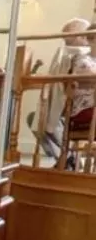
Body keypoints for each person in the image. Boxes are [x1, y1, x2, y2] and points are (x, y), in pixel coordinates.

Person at [30, 18, 96, 158]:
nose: (67, 45)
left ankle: (69, 159)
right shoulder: (81, 59)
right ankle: (68, 158)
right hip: (82, 109)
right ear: (89, 40)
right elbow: (90, 76)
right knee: (35, 119)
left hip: (90, 109)